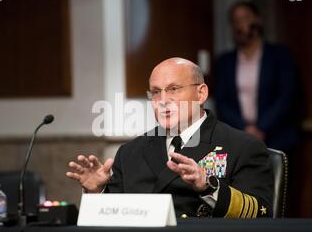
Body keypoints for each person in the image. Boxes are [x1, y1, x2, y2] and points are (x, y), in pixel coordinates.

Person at [66, 57, 273, 218]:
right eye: (155, 92)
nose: (163, 100)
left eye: (173, 89)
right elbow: (113, 221)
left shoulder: (242, 146)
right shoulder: (130, 152)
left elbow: (260, 214)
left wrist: (208, 186)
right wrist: (98, 192)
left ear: (201, 94)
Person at [214, 0, 300, 152]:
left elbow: (287, 96)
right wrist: (245, 129)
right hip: (238, 138)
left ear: (257, 19)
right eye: (236, 21)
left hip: (277, 137)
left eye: (246, 18)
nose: (242, 25)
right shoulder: (225, 62)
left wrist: (260, 128)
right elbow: (222, 101)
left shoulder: (279, 55)